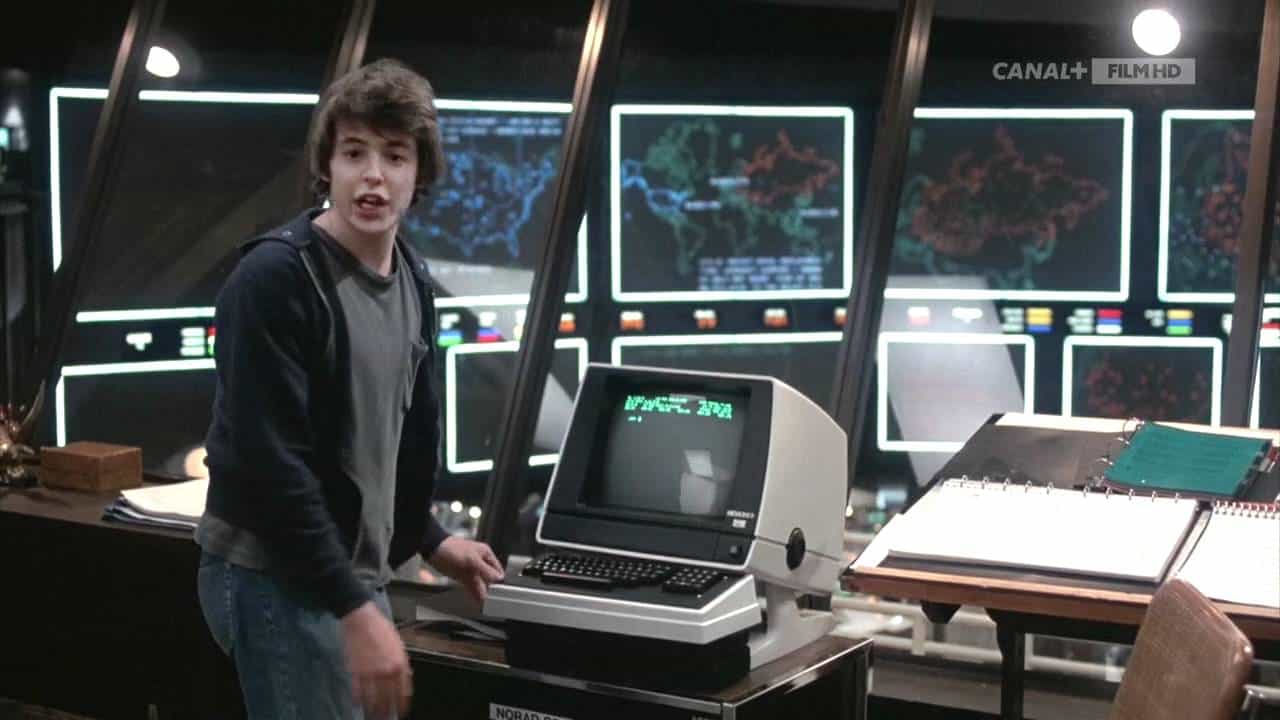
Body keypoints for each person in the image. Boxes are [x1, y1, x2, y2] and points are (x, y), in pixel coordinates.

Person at [195, 58, 505, 720]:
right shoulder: (276, 280)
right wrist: (354, 609)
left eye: (394, 155)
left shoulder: (412, 278)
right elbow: (272, 467)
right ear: (327, 166)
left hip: (346, 577)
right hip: (276, 574)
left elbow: (385, 438)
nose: (373, 175)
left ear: (420, 173)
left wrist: (431, 539)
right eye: (354, 152)